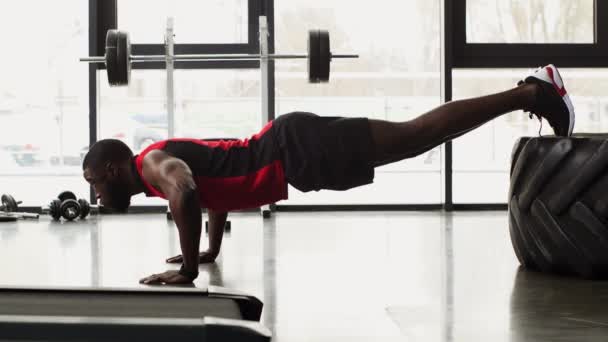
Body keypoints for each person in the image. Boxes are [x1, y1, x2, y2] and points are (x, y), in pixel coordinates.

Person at [82, 64, 575, 285]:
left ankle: (532, 92)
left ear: (110, 168)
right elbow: (211, 186)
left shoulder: (150, 164)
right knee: (419, 137)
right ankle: (529, 93)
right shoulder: (154, 170)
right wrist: (211, 249)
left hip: (295, 149)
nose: (94, 194)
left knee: (418, 134)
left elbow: (187, 192)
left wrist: (189, 269)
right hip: (296, 152)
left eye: (93, 183)